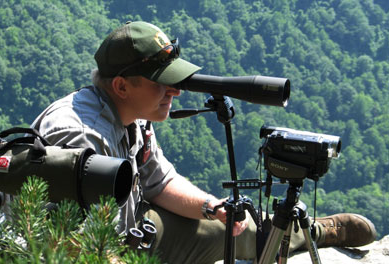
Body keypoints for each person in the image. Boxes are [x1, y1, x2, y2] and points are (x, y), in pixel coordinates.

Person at [31, 21, 376, 263]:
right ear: (122, 86)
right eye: (162, 82)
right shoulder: (80, 137)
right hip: (84, 250)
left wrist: (212, 207)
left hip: (129, 231)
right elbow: (71, 245)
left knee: (232, 227)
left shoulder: (130, 114)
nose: (176, 91)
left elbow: (159, 181)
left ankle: (314, 233)